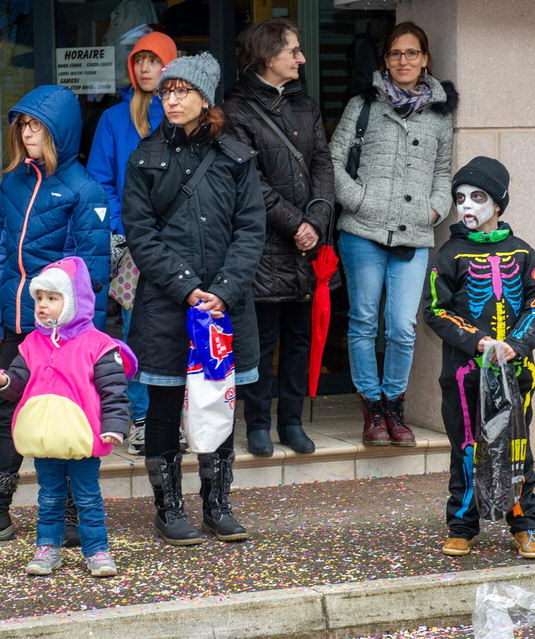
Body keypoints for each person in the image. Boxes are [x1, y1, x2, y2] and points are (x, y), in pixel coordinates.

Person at [0, 85, 111, 545]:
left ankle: (71, 513)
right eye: (24, 126)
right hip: (19, 325)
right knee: (8, 411)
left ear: (60, 132)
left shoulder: (85, 189)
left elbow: (91, 274)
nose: (28, 133)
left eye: (37, 126)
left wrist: (70, 330)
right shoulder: (12, 183)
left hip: (63, 332)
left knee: (67, 411)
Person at [122, 53, 266, 546]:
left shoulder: (236, 156)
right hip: (167, 304)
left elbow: (251, 230)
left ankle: (217, 505)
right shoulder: (144, 157)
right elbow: (140, 235)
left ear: (206, 98)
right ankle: (169, 509)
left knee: (218, 405)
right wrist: (186, 286)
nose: (172, 99)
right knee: (163, 408)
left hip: (226, 307)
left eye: (183, 91)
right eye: (167, 91)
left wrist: (222, 291)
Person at [329, 21, 458, 447]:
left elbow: (442, 172)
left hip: (414, 232)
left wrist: (434, 209)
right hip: (362, 230)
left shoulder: (439, 114)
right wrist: (358, 200)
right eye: (396, 53)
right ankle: (372, 409)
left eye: (412, 53)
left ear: (425, 59)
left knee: (402, 326)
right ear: (385, 60)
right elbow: (334, 159)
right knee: (364, 321)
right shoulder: (362, 104)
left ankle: (394, 406)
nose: (404, 60)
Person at [422, 156, 535, 559]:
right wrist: (477, 341)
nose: (466, 206)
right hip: (465, 372)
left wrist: (518, 342)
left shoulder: (522, 252)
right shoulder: (450, 254)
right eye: (460, 198)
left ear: (497, 204)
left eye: (477, 197)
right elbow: (435, 309)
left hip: (515, 370)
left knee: (516, 446)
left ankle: (524, 524)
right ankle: (462, 525)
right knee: (466, 447)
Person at [222, 19, 334, 457]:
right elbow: (249, 180)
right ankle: (257, 424)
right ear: (269, 55)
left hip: (306, 246)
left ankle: (291, 421)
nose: (301, 59)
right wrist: (297, 225)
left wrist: (317, 220)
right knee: (260, 341)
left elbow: (323, 163)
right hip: (264, 245)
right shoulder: (237, 110)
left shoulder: (306, 105)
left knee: (299, 341)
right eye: (293, 51)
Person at [0, 256, 133, 576]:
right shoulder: (30, 344)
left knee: (87, 498)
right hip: (45, 438)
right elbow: (18, 384)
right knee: (49, 497)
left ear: (74, 302)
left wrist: (115, 427)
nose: (43, 305)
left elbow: (114, 391)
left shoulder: (99, 344)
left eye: (52, 298)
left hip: (83, 438)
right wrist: (3, 381)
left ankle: (97, 551)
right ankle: (47, 548)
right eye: (39, 298)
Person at [88, 31, 178, 456]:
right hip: (133, 243)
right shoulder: (114, 118)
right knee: (135, 332)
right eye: (139, 60)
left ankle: (171, 418)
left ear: (169, 65)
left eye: (153, 60)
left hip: (178, 240)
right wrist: (121, 226)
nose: (144, 68)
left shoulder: (182, 113)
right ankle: (140, 418)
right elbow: (99, 181)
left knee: (179, 331)